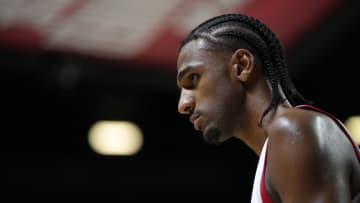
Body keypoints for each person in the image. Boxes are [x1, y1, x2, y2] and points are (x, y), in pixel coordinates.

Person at [176, 13, 360, 203]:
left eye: (193, 78)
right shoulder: (279, 146)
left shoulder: (293, 130)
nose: (183, 104)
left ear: (242, 65)